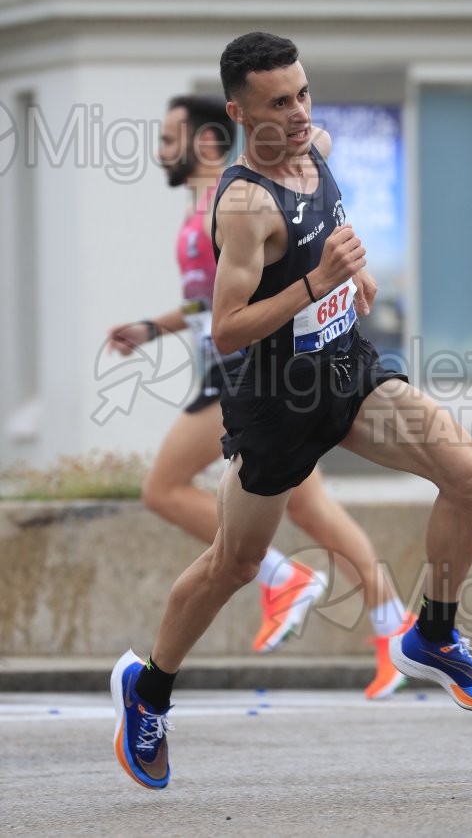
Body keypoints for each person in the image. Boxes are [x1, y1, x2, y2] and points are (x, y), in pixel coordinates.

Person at [111, 36, 472, 791]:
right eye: (278, 102)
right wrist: (316, 281)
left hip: (349, 373)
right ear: (238, 112)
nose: (299, 114)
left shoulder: (316, 146)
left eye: (302, 94)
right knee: (233, 562)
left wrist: (348, 276)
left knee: (470, 475)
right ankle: (149, 688)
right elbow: (226, 328)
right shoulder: (242, 206)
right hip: (274, 406)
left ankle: (431, 634)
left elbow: (326, 228)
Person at [107, 96, 415, 714]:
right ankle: (395, 630)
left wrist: (345, 271)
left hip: (243, 374)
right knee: (314, 508)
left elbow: (265, 283)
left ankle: (284, 578)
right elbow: (207, 305)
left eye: (172, 138)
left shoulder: (226, 206)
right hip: (250, 371)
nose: (161, 150)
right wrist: (153, 327)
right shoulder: (204, 212)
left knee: (163, 487)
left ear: (208, 142)